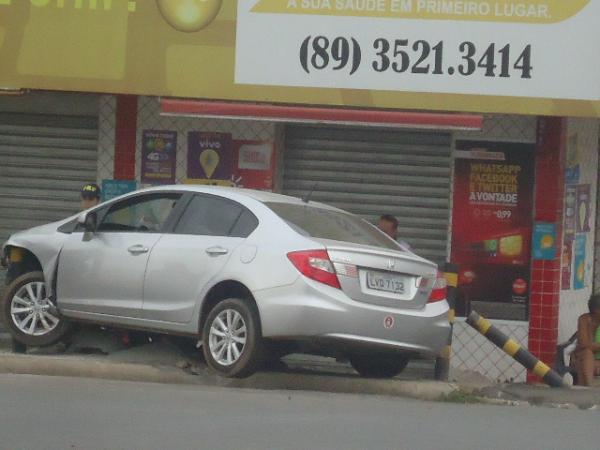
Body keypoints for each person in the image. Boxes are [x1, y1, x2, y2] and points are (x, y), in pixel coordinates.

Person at [575, 295, 600, 386]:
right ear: (597, 311)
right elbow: (584, 344)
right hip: (586, 356)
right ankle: (588, 389)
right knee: (587, 354)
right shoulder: (584, 319)